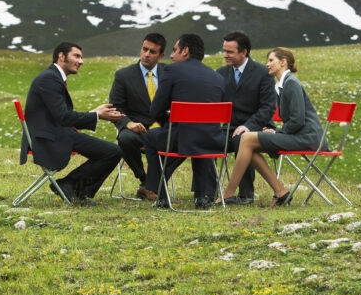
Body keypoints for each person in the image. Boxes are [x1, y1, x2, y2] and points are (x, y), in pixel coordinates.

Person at [218, 47, 326, 206]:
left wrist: (277, 133)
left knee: (246, 138)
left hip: (307, 138)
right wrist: (275, 132)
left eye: (271, 60)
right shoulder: (283, 85)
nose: (267, 64)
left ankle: (228, 193)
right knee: (248, 144)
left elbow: (297, 120)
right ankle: (280, 191)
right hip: (300, 136)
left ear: (283, 63)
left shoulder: (291, 84)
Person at [20, 42, 124, 206]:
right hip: (49, 137)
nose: (81, 61)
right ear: (62, 56)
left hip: (57, 132)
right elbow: (64, 117)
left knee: (111, 151)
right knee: (112, 152)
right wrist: (96, 115)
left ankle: (73, 189)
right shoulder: (49, 79)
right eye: (76, 56)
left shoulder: (53, 77)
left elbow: (61, 116)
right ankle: (71, 187)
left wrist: (93, 113)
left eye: (81, 57)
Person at [143, 33, 226, 208]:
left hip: (180, 138)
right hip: (212, 140)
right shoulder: (217, 77)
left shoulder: (172, 71)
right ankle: (202, 196)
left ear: (185, 51)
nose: (171, 56)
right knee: (199, 135)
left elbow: (155, 110)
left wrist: (169, 119)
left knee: (151, 136)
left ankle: (160, 193)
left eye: (174, 50)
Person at [216, 31, 277, 205]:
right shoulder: (220, 73)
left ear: (243, 52)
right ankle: (204, 193)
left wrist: (248, 126)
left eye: (229, 52)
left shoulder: (262, 73)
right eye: (224, 51)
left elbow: (267, 108)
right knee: (205, 138)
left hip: (255, 127)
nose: (225, 55)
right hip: (226, 128)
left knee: (242, 139)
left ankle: (245, 195)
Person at [108, 33, 167, 200]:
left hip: (164, 130)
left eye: (152, 52)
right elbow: (115, 106)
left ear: (161, 55)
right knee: (125, 139)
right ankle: (145, 180)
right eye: (144, 49)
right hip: (138, 131)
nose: (147, 54)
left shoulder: (170, 73)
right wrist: (128, 123)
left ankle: (157, 183)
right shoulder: (123, 75)